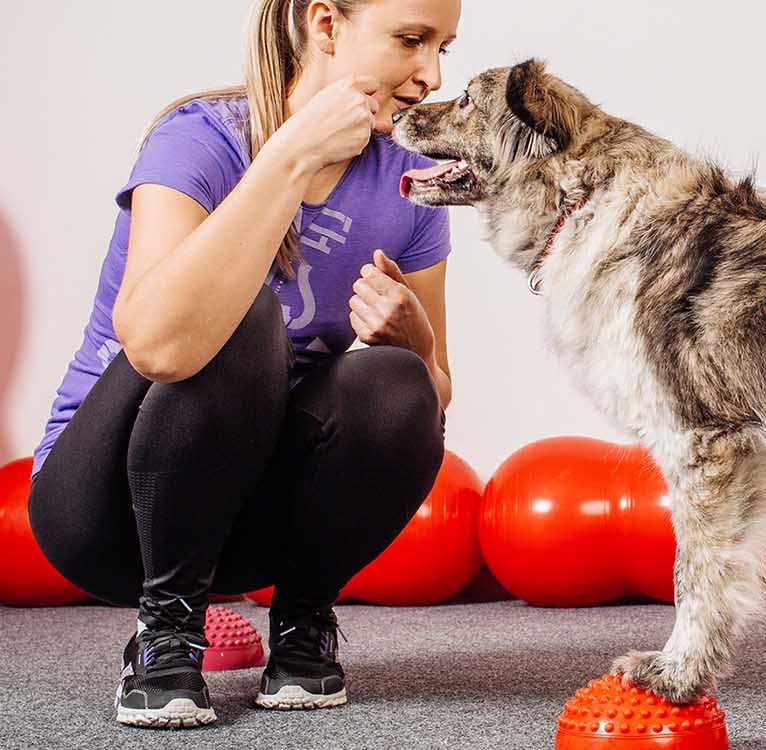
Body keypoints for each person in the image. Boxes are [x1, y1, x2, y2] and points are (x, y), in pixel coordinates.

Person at [26, 0, 463, 728]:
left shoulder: (411, 181)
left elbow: (434, 394)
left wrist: (413, 342)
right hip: (107, 511)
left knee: (396, 380)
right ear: (324, 25)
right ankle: (164, 632)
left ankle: (302, 626)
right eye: (411, 41)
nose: (431, 75)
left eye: (444, 47)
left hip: (250, 524)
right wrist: (292, 156)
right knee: (242, 315)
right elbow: (160, 344)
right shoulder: (200, 139)